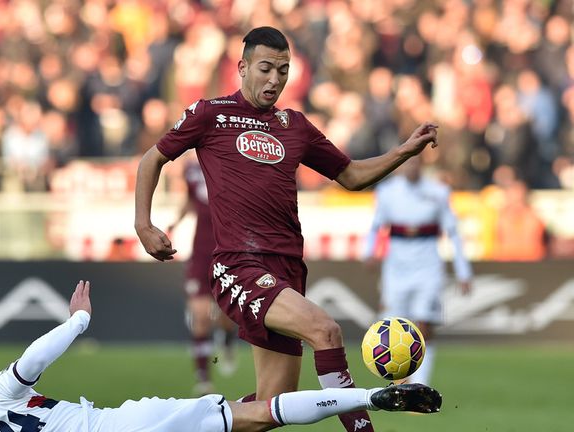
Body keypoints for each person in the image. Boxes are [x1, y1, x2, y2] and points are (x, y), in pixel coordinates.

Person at [134, 26, 439, 432]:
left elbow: (349, 175)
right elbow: (151, 159)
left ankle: (187, 423)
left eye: (283, 70)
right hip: (238, 265)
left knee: (271, 408)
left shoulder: (294, 125)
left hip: (288, 271)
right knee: (325, 330)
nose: (274, 79)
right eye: (265, 68)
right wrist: (144, 224)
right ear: (242, 67)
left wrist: (402, 151)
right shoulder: (211, 114)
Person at [0, 280, 443, 432]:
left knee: (250, 418)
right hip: (120, 427)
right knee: (257, 414)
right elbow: (31, 360)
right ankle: (374, 398)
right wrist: (79, 321)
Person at [361, 156, 472, 387]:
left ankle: (420, 384)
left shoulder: (438, 192)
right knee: (392, 326)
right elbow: (375, 227)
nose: (411, 167)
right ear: (400, 166)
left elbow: (453, 233)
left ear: (422, 165)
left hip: (428, 265)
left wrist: (464, 272)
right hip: (396, 266)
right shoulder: (387, 191)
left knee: (424, 324)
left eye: (415, 163)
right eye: (407, 163)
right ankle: (398, 384)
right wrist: (369, 252)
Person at [167, 153, 238, 395]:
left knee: (226, 315)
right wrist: (174, 223)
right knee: (200, 314)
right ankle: (204, 379)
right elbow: (190, 200)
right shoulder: (191, 169)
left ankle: (227, 340)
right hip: (201, 252)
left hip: (228, 250)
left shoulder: (231, 160)